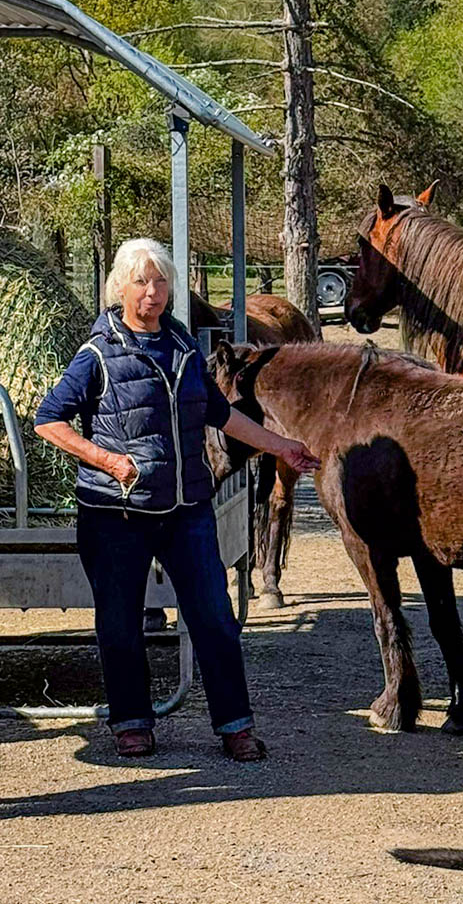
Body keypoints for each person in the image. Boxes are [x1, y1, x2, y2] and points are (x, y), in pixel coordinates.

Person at [35, 238, 321, 761]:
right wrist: (106, 460)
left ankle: (235, 726)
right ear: (119, 288)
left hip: (187, 508)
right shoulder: (97, 354)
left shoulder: (184, 348)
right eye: (141, 282)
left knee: (214, 616)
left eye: (161, 281)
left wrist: (281, 445)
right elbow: (48, 420)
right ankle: (132, 723)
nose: (153, 292)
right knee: (120, 622)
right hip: (115, 513)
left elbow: (220, 414)